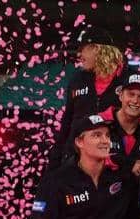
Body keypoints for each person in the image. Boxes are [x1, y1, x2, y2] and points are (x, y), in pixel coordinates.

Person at [49, 27, 130, 170]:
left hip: (115, 161)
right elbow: (67, 121)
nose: (79, 55)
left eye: (83, 49)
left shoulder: (129, 79)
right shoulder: (77, 80)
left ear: (97, 49)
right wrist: (55, 160)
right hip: (77, 159)